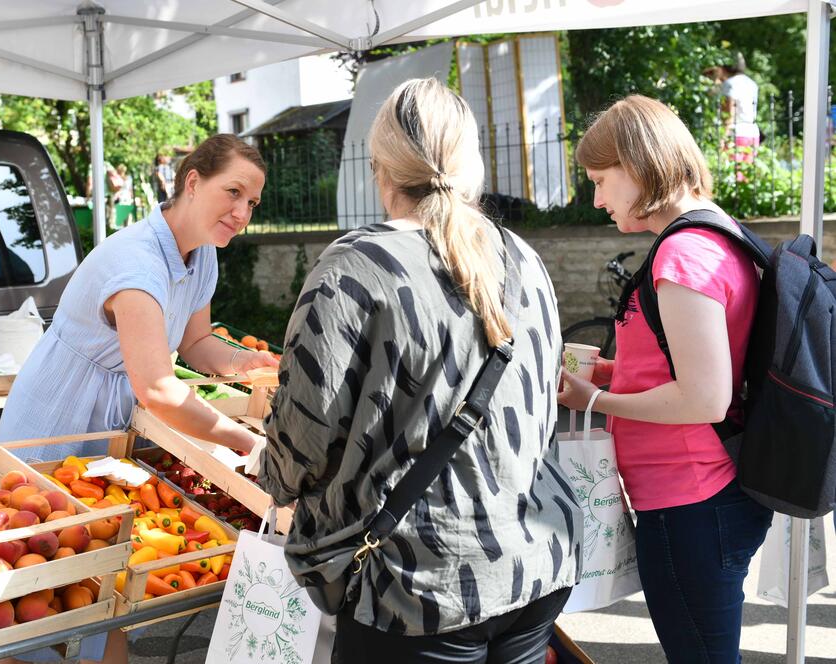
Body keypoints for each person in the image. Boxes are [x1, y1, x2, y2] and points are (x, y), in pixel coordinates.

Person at [258, 77, 580, 663]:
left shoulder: (355, 266)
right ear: (472, 164)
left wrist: (269, 475)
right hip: (533, 561)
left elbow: (304, 441)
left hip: (417, 584)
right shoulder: (525, 258)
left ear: (379, 169)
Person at [0, 133, 277, 663]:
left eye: (253, 202)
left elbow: (195, 342)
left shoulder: (201, 258)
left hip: (101, 429)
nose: (243, 213)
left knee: (103, 589)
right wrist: (241, 440)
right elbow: (156, 388)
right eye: (233, 193)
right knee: (36, 592)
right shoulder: (138, 262)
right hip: (52, 419)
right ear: (193, 182)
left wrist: (244, 362)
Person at [558, 95, 772, 663]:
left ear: (638, 164)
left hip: (690, 499)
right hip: (709, 491)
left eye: (602, 180)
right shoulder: (718, 231)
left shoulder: (681, 255)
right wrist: (614, 372)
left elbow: (703, 395)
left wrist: (597, 396)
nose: (598, 198)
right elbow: (694, 362)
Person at [718, 54, 760, 165]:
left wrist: (722, 137)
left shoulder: (730, 83)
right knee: (747, 177)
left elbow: (729, 113)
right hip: (752, 133)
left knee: (732, 177)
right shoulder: (752, 84)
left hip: (736, 134)